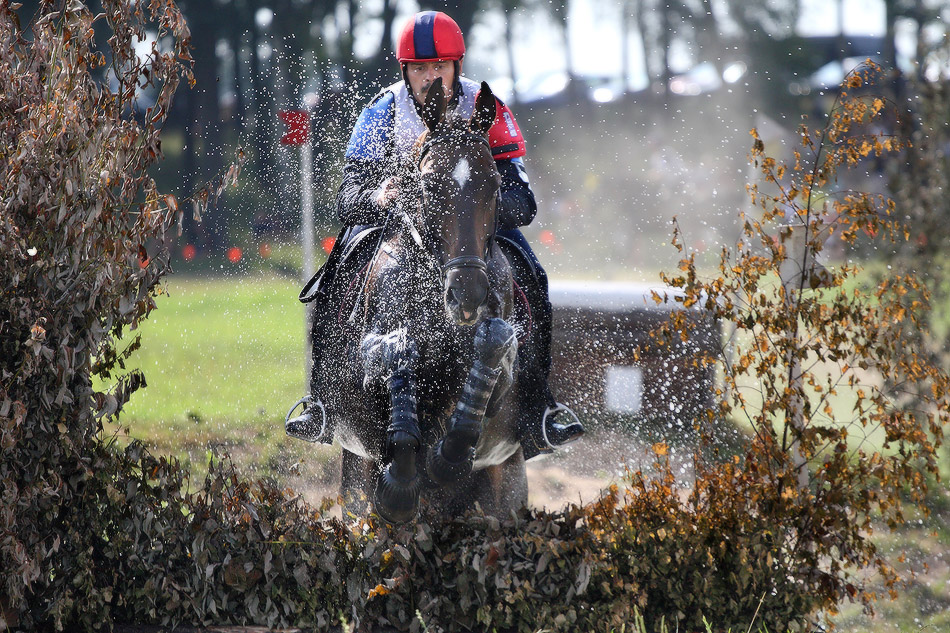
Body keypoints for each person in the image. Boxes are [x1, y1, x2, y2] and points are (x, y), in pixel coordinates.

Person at [288, 10, 583, 459]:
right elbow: (346, 195)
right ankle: (322, 402)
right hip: (396, 224)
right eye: (420, 68)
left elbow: (524, 200)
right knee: (332, 279)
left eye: (439, 67)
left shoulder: (488, 107)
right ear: (404, 71)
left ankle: (541, 408)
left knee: (534, 277)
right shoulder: (383, 111)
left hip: (476, 232)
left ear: (456, 67)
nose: (430, 78)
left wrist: (474, 207)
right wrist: (378, 196)